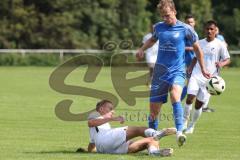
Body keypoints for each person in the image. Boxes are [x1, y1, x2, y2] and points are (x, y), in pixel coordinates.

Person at [136, 0, 210, 147]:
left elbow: (198, 50)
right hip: (159, 73)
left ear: (174, 12)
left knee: (175, 95)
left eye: (167, 15)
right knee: (154, 112)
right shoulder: (158, 27)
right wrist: (142, 49)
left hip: (177, 70)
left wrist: (203, 68)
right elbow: (152, 40)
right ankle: (152, 142)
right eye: (162, 16)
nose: (165, 18)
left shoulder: (186, 29)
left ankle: (179, 132)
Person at [183, 20, 231, 134]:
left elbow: (228, 59)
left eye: (211, 29)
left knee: (199, 104)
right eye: (207, 29)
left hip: (210, 80)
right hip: (196, 75)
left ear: (215, 30)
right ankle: (184, 122)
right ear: (204, 30)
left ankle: (191, 125)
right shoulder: (199, 42)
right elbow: (196, 57)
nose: (209, 31)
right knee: (190, 97)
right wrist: (190, 68)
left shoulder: (220, 44)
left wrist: (221, 64)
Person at [86, 99, 176, 156]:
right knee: (138, 129)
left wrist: (88, 151)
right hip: (106, 141)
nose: (113, 111)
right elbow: (91, 123)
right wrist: (113, 118)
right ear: (101, 109)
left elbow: (91, 145)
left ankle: (153, 152)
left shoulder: (99, 130)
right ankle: (156, 133)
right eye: (110, 109)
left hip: (107, 149)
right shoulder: (95, 115)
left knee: (151, 140)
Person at [202, 26, 228, 113]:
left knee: (210, 88)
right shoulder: (204, 41)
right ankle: (202, 106)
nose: (213, 31)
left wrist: (221, 63)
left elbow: (225, 46)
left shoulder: (220, 39)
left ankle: (204, 106)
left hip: (215, 69)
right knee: (205, 87)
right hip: (204, 68)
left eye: (215, 29)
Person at [181, 14, 197, 101]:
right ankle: (177, 103)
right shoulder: (183, 34)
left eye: (191, 22)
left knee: (190, 84)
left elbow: (197, 49)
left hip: (192, 63)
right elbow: (179, 46)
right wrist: (191, 48)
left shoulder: (195, 34)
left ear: (194, 23)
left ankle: (177, 102)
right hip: (182, 62)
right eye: (188, 22)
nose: (190, 24)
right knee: (181, 84)